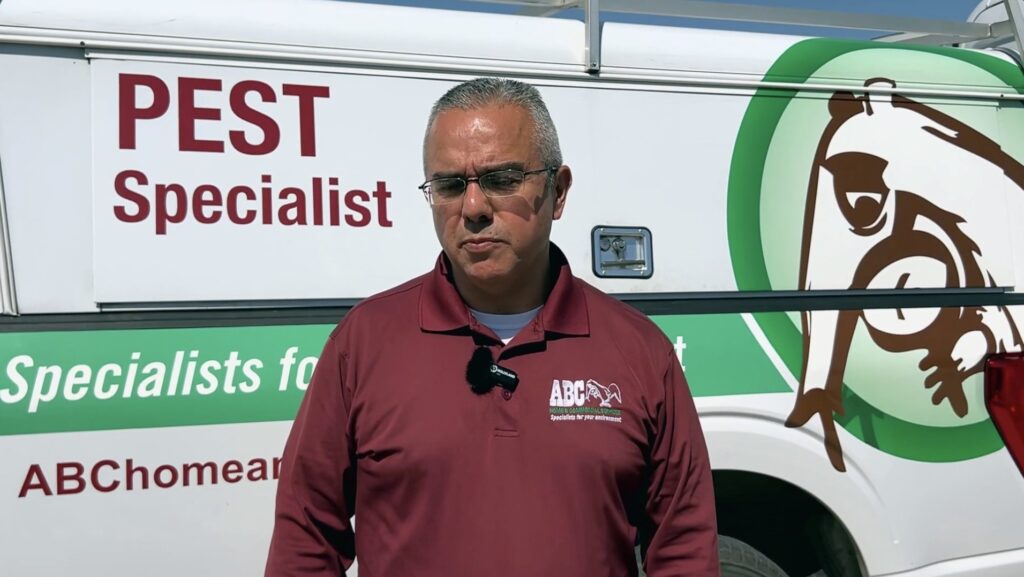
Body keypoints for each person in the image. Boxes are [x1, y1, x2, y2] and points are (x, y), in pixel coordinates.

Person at [265, 77, 719, 577]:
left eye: (503, 179)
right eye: (450, 185)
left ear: (558, 191)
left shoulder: (639, 352)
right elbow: (305, 539)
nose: (474, 208)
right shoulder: (364, 343)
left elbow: (683, 548)